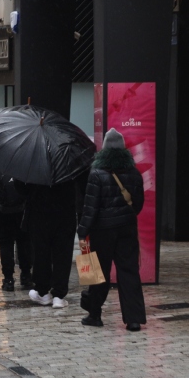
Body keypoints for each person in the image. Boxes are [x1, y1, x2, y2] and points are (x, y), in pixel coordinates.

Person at [77, 129, 146, 331]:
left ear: (104, 148)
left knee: (99, 273)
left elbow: (90, 208)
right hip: (127, 229)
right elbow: (138, 205)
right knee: (129, 271)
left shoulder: (96, 173)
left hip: (102, 231)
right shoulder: (134, 173)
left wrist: (82, 232)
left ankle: (95, 315)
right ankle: (133, 319)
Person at [25, 176, 84, 309]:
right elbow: (82, 187)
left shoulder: (34, 163)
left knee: (41, 253)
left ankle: (43, 291)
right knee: (63, 255)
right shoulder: (69, 164)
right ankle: (58, 295)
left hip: (39, 213)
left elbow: (21, 188)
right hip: (65, 214)